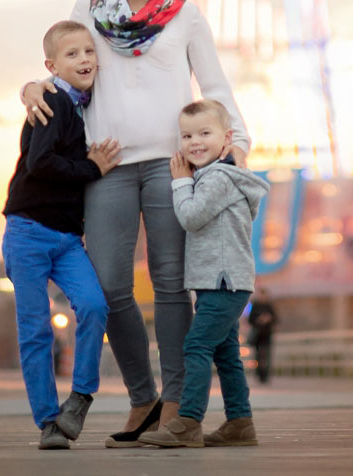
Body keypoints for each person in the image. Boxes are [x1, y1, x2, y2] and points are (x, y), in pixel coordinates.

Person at [21, 0, 249, 446]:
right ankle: (141, 397)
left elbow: (213, 84)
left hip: (173, 167)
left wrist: (237, 139)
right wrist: (32, 85)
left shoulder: (185, 15)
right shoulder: (88, 8)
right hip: (107, 166)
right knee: (108, 286)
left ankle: (175, 403)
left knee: (172, 287)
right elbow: (68, 63)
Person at [1, 20, 118, 450]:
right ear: (52, 65)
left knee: (92, 305)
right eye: (72, 55)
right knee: (36, 330)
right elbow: (39, 163)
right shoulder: (54, 101)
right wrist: (92, 169)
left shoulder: (85, 102)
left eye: (89, 52)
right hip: (29, 231)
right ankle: (50, 422)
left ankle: (81, 396)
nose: (85, 60)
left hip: (67, 238)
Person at [141, 100, 269, 448]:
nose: (194, 142)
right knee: (226, 354)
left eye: (204, 133)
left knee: (196, 346)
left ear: (227, 138)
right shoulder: (217, 176)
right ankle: (240, 424)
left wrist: (180, 182)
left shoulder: (219, 178)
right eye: (186, 135)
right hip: (221, 281)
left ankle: (188, 422)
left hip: (223, 282)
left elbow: (192, 217)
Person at [249, 287, 279, 385]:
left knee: (267, 355)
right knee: (258, 356)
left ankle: (266, 375)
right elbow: (250, 320)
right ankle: (259, 375)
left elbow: (276, 319)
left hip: (267, 335)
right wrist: (259, 320)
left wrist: (268, 319)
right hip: (258, 336)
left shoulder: (269, 306)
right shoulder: (255, 305)